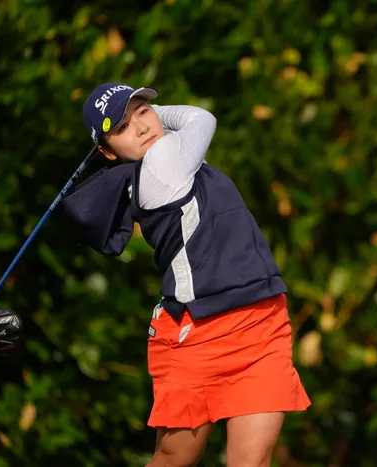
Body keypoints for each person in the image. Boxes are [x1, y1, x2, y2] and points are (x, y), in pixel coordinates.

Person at [60, 82, 311, 467]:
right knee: (175, 458)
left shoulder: (180, 157)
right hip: (197, 333)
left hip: (261, 322)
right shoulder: (163, 163)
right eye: (123, 127)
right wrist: (158, 116)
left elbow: (177, 129)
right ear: (108, 153)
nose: (141, 127)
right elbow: (200, 118)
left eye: (142, 111)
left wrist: (141, 120)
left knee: (251, 461)